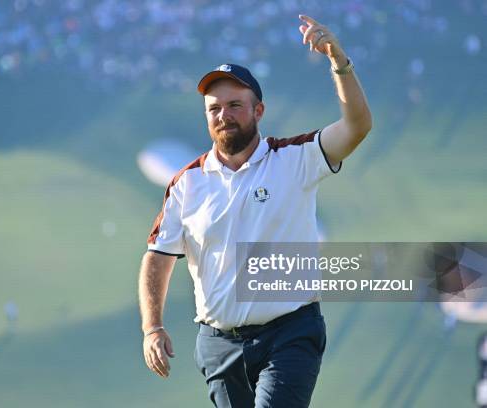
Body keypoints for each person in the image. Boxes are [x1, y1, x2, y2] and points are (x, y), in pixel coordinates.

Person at [138, 14, 372, 408]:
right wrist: (152, 327)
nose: (223, 115)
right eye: (214, 108)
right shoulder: (186, 184)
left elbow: (357, 126)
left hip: (290, 332)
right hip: (218, 344)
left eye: (234, 105)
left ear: (258, 111)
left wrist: (339, 61)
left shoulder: (295, 158)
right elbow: (157, 259)